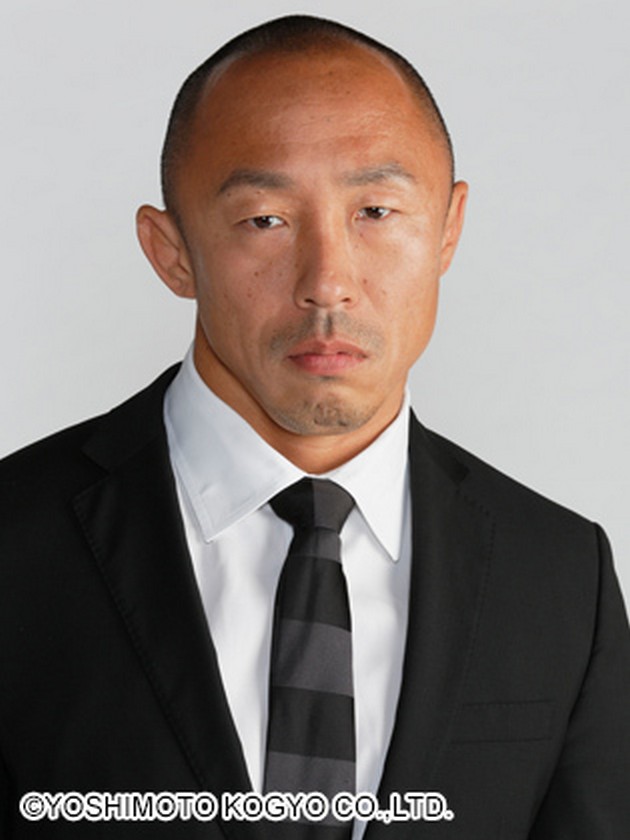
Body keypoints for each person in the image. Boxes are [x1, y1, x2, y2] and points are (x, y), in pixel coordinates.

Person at [0, 13, 629, 840]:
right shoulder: (15, 542)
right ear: (171, 251)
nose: (328, 281)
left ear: (448, 229)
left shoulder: (560, 576)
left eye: (376, 210)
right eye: (265, 219)